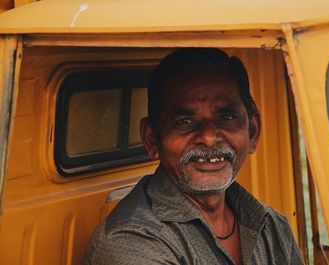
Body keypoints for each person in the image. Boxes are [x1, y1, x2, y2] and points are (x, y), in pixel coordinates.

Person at [83, 48, 304, 265]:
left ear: (253, 132)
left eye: (226, 117)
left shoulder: (272, 227)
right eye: (185, 122)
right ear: (152, 139)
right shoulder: (130, 244)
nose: (208, 137)